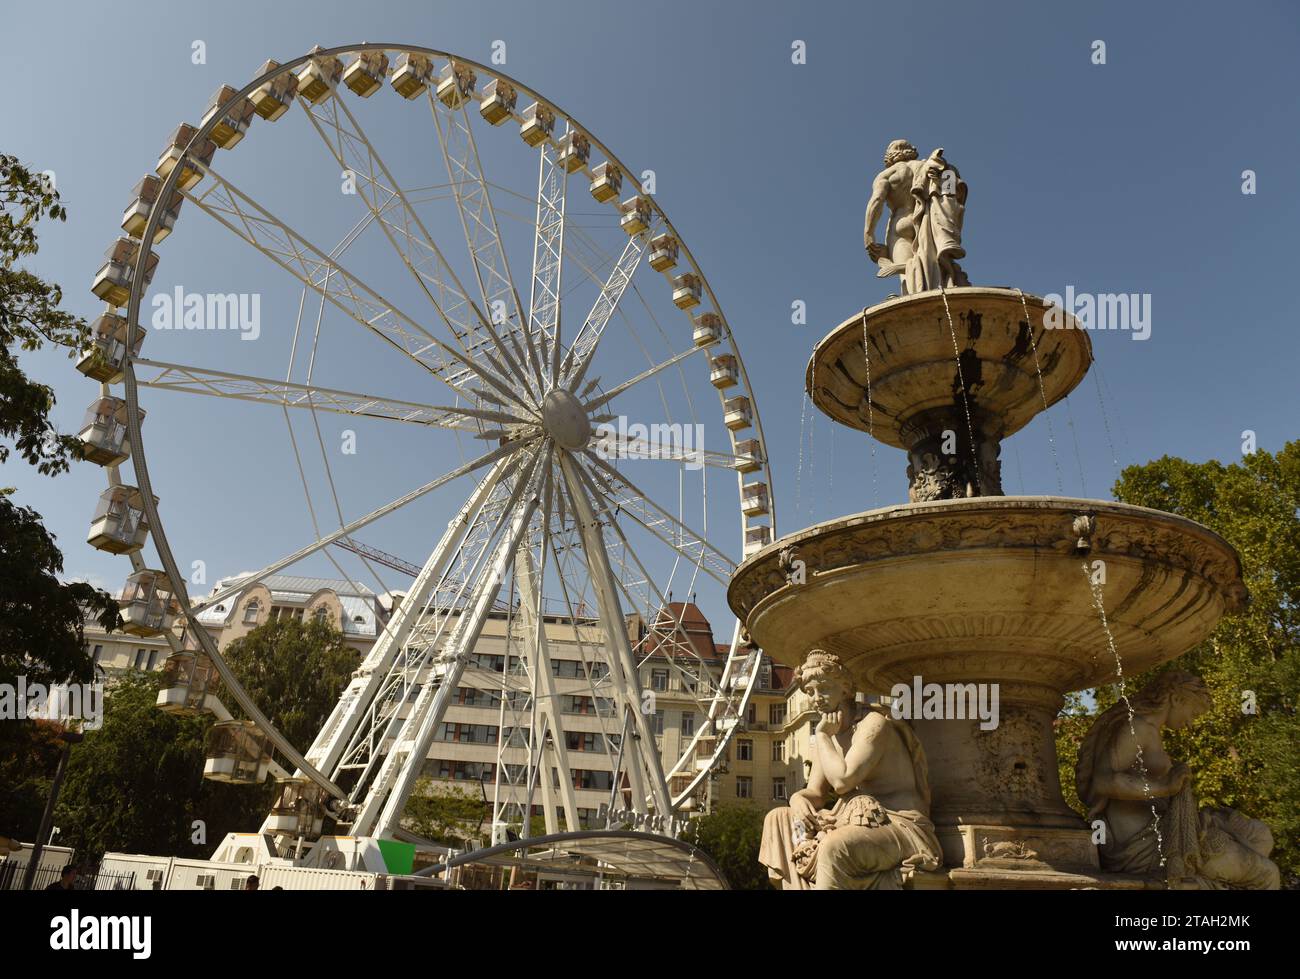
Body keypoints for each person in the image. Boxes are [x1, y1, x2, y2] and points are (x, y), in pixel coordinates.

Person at [759, 650, 942, 889]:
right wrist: (797, 799)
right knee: (778, 819)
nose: (816, 699)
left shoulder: (873, 725)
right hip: (853, 821)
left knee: (835, 847)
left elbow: (843, 781)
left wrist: (822, 736)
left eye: (824, 689)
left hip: (898, 825)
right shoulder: (830, 735)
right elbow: (816, 792)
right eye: (810, 692)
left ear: (845, 689)